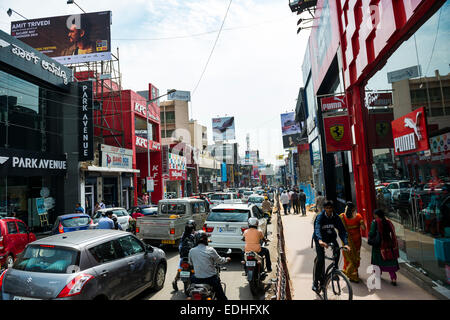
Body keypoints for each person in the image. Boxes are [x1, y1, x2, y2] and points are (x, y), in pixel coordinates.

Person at [312, 200, 350, 292]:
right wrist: (320, 240)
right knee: (321, 260)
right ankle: (315, 283)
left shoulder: (336, 217)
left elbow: (342, 231)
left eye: (330, 208)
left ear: (333, 208)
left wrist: (346, 244)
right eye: (327, 208)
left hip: (330, 238)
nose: (329, 210)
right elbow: (317, 228)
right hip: (320, 238)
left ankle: (335, 270)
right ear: (324, 209)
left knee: (337, 250)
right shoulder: (320, 217)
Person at [188, 230, 231, 300]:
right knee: (221, 297)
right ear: (205, 240)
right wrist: (226, 259)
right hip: (210, 279)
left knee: (191, 287)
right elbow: (220, 260)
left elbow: (190, 263)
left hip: (197, 279)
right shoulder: (210, 250)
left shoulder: (191, 251)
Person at [368, 209, 400, 286]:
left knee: (377, 261)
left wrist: (370, 234)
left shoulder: (375, 222)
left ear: (377, 215)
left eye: (374, 215)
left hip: (378, 245)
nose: (373, 216)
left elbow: (371, 233)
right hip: (388, 244)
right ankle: (393, 278)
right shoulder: (388, 222)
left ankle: (378, 275)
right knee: (389, 261)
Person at [339, 202, 366, 282]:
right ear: (354, 209)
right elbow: (364, 228)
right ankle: (354, 274)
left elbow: (339, 229)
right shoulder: (358, 216)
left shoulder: (342, 217)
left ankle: (350, 274)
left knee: (348, 257)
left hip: (347, 241)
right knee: (355, 257)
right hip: (357, 241)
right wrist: (361, 222)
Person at [172, 220, 197, 292]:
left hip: (183, 256)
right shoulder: (193, 235)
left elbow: (180, 246)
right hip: (190, 256)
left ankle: (175, 280)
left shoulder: (184, 234)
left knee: (180, 268)